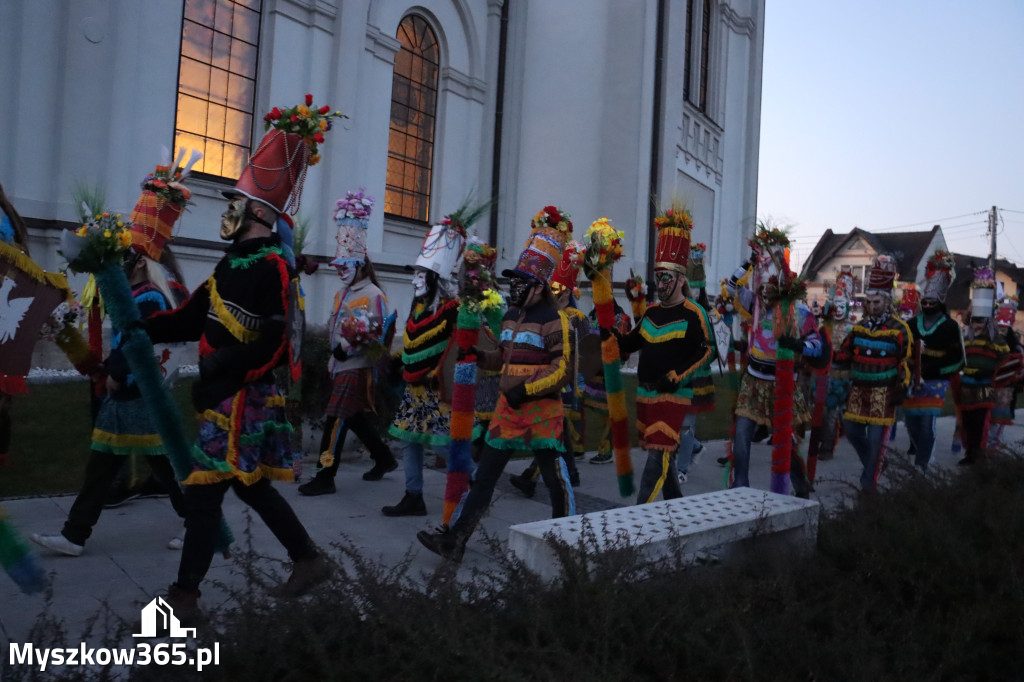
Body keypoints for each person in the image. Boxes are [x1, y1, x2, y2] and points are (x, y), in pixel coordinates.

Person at [142, 110, 336, 614]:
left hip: (241, 396)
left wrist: (225, 365)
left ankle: (184, 597)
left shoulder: (274, 265)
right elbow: (190, 318)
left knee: (206, 494)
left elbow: (276, 345)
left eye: (236, 203)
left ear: (259, 213)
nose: (227, 210)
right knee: (248, 487)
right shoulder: (231, 262)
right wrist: (140, 323)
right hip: (223, 393)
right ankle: (308, 560)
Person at [32, 164, 192, 557]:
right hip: (123, 398)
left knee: (167, 470)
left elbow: (139, 344)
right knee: (100, 470)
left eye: (125, 256)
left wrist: (118, 374)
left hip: (140, 397)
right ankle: (74, 535)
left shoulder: (151, 297)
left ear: (140, 263)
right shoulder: (133, 295)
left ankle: (198, 521)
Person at [417, 205, 575, 561]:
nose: (515, 284)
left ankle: (566, 541)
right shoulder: (510, 315)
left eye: (522, 280)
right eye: (513, 279)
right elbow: (504, 357)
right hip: (507, 411)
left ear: (539, 286)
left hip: (541, 412)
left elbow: (561, 369)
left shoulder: (555, 320)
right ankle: (454, 541)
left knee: (554, 481)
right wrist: (477, 357)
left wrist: (526, 390)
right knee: (484, 478)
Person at [299, 189, 397, 495]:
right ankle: (384, 458)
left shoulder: (374, 295)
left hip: (357, 365)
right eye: (337, 265)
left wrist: (348, 347)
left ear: (360, 265)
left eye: (345, 265)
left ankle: (325, 475)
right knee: (352, 417)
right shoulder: (341, 294)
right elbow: (334, 327)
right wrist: (333, 354)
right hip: (339, 364)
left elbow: (378, 328)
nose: (339, 270)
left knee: (336, 419)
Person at [617, 205, 712, 503]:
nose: (660, 284)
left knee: (656, 457)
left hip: (674, 395)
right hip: (647, 395)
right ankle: (676, 506)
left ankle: (639, 518)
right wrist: (611, 336)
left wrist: (677, 375)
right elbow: (632, 342)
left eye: (666, 278)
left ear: (681, 279)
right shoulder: (653, 311)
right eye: (658, 277)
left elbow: (705, 350)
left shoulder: (695, 312)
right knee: (664, 456)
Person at [726, 227, 821, 496]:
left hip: (782, 386)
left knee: (784, 444)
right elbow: (732, 285)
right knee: (742, 434)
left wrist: (799, 345)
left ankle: (800, 487)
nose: (765, 292)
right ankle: (740, 487)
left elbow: (818, 344)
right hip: (753, 382)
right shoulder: (753, 302)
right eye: (762, 287)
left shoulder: (799, 312)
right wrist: (750, 262)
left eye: (770, 287)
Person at [381, 218, 465, 517]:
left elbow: (459, 349)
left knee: (444, 446)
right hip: (413, 389)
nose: (414, 279)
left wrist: (438, 373)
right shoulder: (418, 308)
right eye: (415, 273)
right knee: (409, 442)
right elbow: (414, 343)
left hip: (436, 390)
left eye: (420, 274)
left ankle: (474, 487)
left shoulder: (452, 310)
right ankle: (413, 495)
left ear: (434, 277)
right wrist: (397, 361)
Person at [509, 240, 590, 496]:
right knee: (557, 431)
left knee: (551, 431)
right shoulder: (548, 314)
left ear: (567, 292)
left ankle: (531, 476)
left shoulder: (578, 318)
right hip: (546, 377)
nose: (554, 292)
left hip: (566, 380)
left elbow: (583, 352)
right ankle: (571, 474)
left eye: (558, 288)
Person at [835, 256, 912, 492]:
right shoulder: (859, 328)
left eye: (877, 301)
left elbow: (906, 361)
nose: (872, 305)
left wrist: (903, 386)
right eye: (869, 301)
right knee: (851, 429)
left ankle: (868, 485)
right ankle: (875, 464)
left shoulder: (900, 328)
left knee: (878, 441)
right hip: (859, 391)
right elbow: (844, 354)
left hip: (884, 393)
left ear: (887, 302)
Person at [902, 251, 964, 470]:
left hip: (936, 382)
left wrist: (939, 370)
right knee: (911, 423)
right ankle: (921, 452)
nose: (928, 304)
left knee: (927, 424)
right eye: (925, 300)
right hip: (912, 381)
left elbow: (958, 359)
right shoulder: (910, 324)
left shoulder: (950, 326)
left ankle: (922, 465)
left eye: (932, 300)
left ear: (941, 300)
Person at [955, 268, 1010, 464]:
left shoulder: (996, 339)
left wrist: (988, 372)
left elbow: (1006, 361)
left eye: (981, 320)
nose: (977, 324)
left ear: (988, 321)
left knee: (981, 423)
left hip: (985, 388)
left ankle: (979, 455)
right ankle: (969, 454)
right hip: (966, 389)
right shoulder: (966, 339)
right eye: (975, 320)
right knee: (967, 423)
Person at [815, 266, 856, 461]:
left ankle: (827, 446)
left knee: (830, 411)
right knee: (820, 410)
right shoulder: (825, 326)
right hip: (824, 374)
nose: (839, 309)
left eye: (842, 305)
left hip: (842, 376)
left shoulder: (853, 328)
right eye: (836, 304)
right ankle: (826, 438)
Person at [989, 296, 1022, 446]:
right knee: (987, 416)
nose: (1001, 331)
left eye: (1004, 329)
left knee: (999, 415)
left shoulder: (1016, 346)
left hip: (1006, 388)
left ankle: (995, 441)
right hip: (988, 383)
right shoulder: (989, 339)